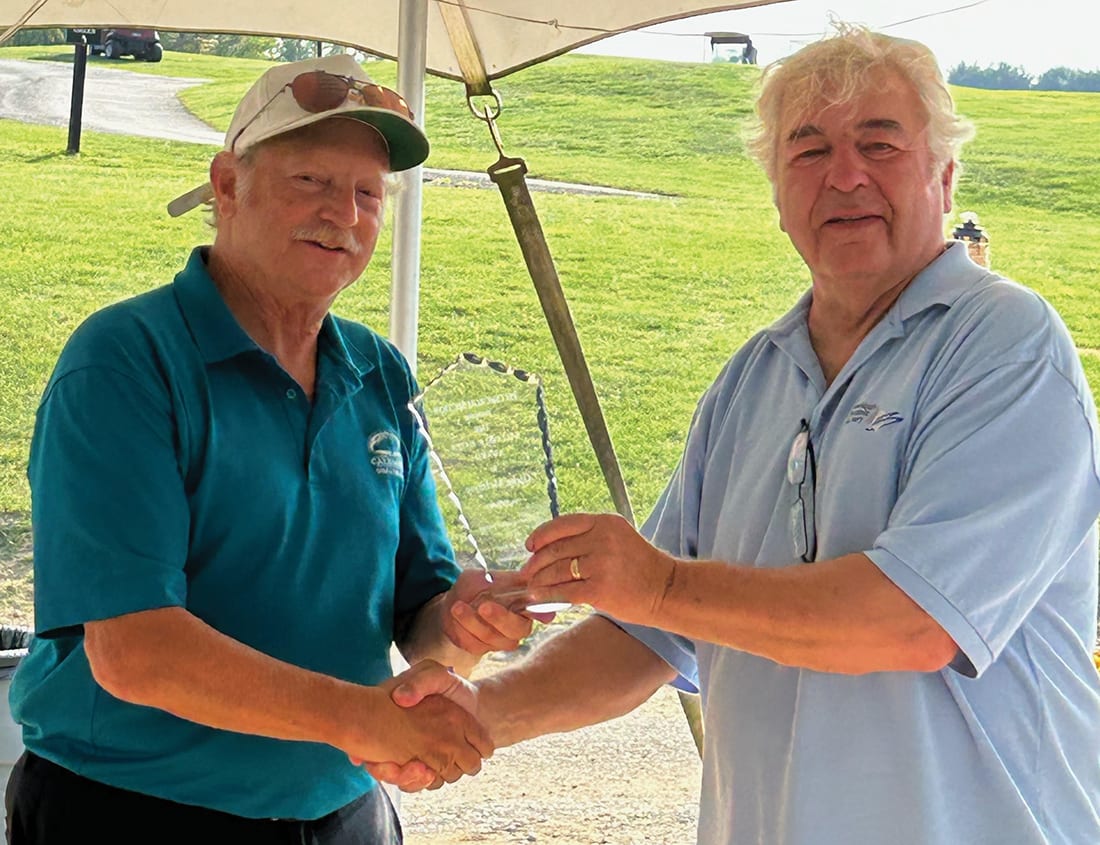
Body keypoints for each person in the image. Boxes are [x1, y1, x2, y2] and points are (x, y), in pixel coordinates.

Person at [377, 25, 1100, 845]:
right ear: (777, 192)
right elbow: (641, 637)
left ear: (944, 171)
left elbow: (914, 620)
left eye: (879, 143)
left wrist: (659, 585)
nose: (846, 174)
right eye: (810, 150)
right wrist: (482, 712)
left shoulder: (1005, 346)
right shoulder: (752, 381)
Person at [6, 54, 542, 844]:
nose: (344, 215)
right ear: (227, 186)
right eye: (311, 183)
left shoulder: (378, 372)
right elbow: (135, 650)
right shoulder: (127, 360)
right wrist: (363, 719)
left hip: (341, 810)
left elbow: (418, 616)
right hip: (135, 811)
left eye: (368, 194)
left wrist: (466, 621)